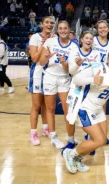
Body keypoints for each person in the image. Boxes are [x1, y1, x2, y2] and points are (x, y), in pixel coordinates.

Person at [39, 21, 74, 149]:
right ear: (57, 30)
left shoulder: (74, 47)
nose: (63, 30)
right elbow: (42, 62)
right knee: (50, 108)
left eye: (65, 28)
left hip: (64, 79)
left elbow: (70, 70)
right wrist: (46, 57)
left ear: (69, 29)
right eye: (60, 28)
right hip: (49, 77)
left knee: (67, 109)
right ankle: (53, 136)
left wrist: (65, 64)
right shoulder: (50, 42)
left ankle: (70, 138)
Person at [66, 31, 100, 154]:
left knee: (89, 114)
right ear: (81, 39)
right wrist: (77, 64)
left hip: (90, 88)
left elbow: (97, 72)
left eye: (91, 38)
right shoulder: (74, 52)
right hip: (75, 88)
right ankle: (70, 140)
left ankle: (90, 140)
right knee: (71, 115)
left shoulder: (96, 54)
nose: (89, 40)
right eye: (86, 38)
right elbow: (71, 71)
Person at [28, 17, 54, 145]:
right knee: (36, 105)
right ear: (41, 24)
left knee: (46, 105)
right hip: (38, 73)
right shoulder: (35, 37)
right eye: (47, 22)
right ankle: (33, 133)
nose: (49, 24)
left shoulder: (54, 38)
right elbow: (34, 58)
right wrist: (43, 44)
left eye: (51, 23)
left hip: (50, 73)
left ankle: (45, 128)